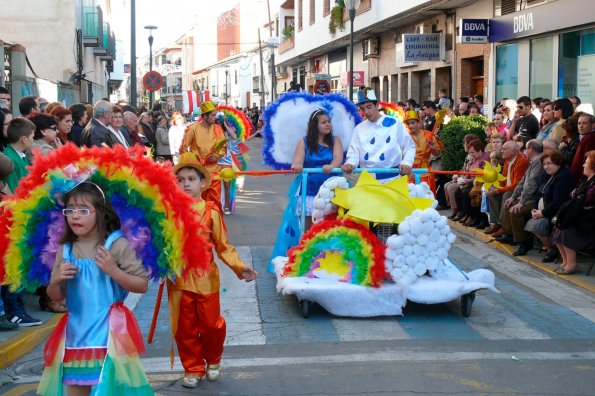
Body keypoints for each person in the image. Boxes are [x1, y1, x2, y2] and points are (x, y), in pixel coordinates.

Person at [40, 182, 151, 395]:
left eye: (83, 210)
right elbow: (57, 297)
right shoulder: (65, 249)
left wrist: (114, 271)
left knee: (111, 389)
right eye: (70, 210)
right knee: (75, 389)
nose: (74, 216)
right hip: (76, 335)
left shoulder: (116, 244)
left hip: (110, 333)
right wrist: (55, 281)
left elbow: (142, 284)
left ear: (101, 212)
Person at [167, 152, 258, 388]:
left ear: (202, 183)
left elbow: (223, 247)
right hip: (178, 280)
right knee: (183, 327)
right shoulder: (168, 212)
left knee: (211, 325)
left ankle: (214, 360)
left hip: (206, 278)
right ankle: (193, 367)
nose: (185, 183)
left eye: (191, 179)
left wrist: (240, 267)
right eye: (180, 179)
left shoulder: (211, 211)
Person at [1, 117, 42, 327]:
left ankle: (18, 308)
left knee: (19, 266)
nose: (34, 140)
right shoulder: (11, 160)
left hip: (21, 214)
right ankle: (14, 311)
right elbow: (16, 189)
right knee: (12, 268)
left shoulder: (21, 157)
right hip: (14, 218)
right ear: (24, 138)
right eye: (33, 137)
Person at [342, 87, 415, 180]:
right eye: (363, 109)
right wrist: (350, 163)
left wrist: (407, 162)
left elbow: (409, 146)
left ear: (377, 105)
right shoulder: (359, 129)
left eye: (369, 107)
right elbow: (353, 152)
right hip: (367, 180)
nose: (366, 112)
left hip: (393, 179)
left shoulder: (395, 123)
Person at [291, 109, 344, 230]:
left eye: (329, 121)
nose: (328, 124)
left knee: (330, 226)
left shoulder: (335, 140)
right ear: (315, 125)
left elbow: (338, 158)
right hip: (309, 189)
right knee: (307, 228)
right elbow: (297, 161)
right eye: (323, 122)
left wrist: (332, 166)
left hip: (331, 190)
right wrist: (297, 166)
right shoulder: (304, 142)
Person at [495, 140, 545, 256]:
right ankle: (509, 234)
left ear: (531, 149)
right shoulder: (533, 161)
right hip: (528, 197)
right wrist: (513, 197)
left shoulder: (538, 161)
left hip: (534, 199)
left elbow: (531, 184)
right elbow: (522, 182)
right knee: (509, 202)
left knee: (516, 210)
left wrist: (521, 202)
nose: (524, 151)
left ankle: (524, 242)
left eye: (526, 148)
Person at [525, 150, 575, 263]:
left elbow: (559, 202)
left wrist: (542, 213)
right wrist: (535, 209)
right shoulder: (546, 176)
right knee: (532, 221)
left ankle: (552, 249)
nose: (546, 167)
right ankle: (551, 248)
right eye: (544, 164)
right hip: (543, 210)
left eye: (549, 163)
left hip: (557, 213)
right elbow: (538, 194)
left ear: (558, 162)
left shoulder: (564, 177)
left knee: (536, 225)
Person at [551, 150, 595, 275]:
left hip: (589, 220)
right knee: (558, 226)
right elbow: (574, 196)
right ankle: (565, 262)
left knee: (567, 230)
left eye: (586, 163)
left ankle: (572, 264)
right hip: (579, 215)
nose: (583, 165)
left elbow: (587, 204)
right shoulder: (585, 180)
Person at [180, 100, 227, 209]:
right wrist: (192, 162)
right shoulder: (192, 129)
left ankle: (213, 224)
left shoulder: (218, 129)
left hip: (214, 171)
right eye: (213, 115)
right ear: (205, 116)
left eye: (215, 115)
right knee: (197, 204)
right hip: (197, 173)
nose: (215, 118)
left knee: (215, 203)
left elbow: (223, 147)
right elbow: (183, 148)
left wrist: (216, 156)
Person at [485, 141, 530, 235]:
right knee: (491, 195)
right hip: (508, 188)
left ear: (513, 152)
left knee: (507, 194)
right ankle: (496, 223)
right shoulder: (507, 161)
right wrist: (495, 189)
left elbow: (517, 185)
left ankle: (503, 226)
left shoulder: (522, 162)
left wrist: (498, 190)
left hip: (517, 191)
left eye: (504, 149)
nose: (501, 151)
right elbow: (503, 180)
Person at [403, 109, 444, 194]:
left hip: (426, 174)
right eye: (408, 123)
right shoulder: (404, 137)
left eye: (412, 123)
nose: (410, 126)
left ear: (418, 122)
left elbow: (437, 153)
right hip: (409, 174)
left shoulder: (428, 135)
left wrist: (432, 147)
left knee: (427, 201)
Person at [570, 113, 595, 180]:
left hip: (582, 179)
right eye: (579, 123)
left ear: (593, 125)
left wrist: (582, 181)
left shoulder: (591, 138)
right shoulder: (586, 137)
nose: (581, 126)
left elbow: (587, 160)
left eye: (584, 123)